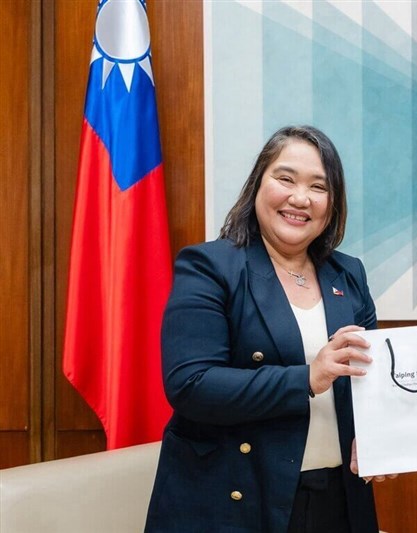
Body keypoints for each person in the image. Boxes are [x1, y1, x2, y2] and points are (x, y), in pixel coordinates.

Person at [145, 126, 380, 533]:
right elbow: (190, 384)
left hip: (337, 499)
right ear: (258, 184)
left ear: (333, 203)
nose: (300, 198)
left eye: (318, 186)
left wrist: (383, 438)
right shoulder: (209, 267)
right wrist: (307, 377)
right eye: (285, 178)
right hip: (234, 500)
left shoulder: (349, 272)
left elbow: (372, 382)